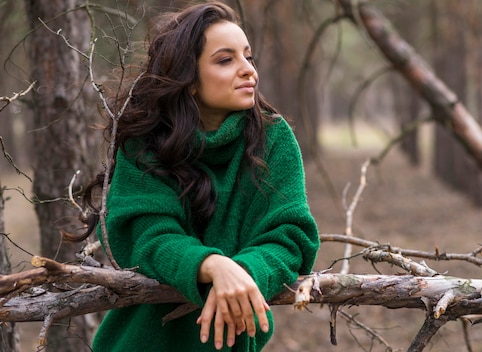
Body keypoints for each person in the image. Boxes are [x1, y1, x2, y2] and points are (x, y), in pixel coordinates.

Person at [72, 2, 320, 351]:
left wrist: (245, 272)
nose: (248, 70)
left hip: (230, 341)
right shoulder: (146, 141)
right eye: (225, 60)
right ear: (188, 79)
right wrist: (210, 265)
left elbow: (289, 236)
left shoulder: (273, 138)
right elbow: (147, 236)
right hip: (139, 341)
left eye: (249, 57)